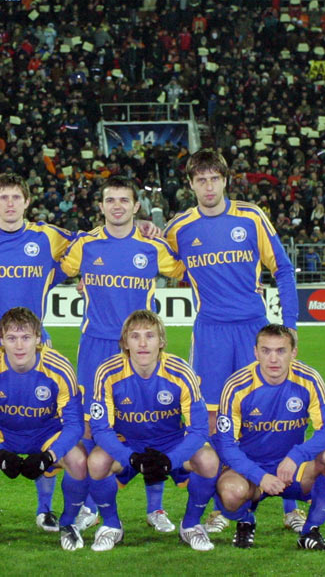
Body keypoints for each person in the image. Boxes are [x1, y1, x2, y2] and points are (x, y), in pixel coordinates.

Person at [164, 148, 301, 533]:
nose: (209, 187)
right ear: (191, 184)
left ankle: (291, 506)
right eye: (201, 180)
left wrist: (290, 325)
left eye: (214, 179)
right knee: (212, 421)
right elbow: (154, 259)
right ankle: (223, 506)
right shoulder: (179, 228)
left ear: (225, 180)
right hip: (210, 334)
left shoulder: (251, 217)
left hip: (254, 330)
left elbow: (283, 269)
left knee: (277, 413)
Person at [60, 177, 184, 534]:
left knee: (152, 423)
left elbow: (187, 267)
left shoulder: (151, 246)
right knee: (89, 426)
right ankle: (90, 506)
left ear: (135, 206)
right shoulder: (84, 245)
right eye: (110, 200)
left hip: (140, 346)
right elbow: (51, 269)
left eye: (124, 200)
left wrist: (164, 234)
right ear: (101, 206)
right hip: (96, 347)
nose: (117, 206)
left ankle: (155, 508)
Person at [0, 173, 74, 532]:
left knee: (46, 421)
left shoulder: (47, 237)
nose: (10, 204)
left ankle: (45, 510)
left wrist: (143, 227)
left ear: (27, 202)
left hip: (37, 342)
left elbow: (92, 244)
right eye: (3, 197)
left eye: (16, 197)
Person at [86, 310, 218, 552]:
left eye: (150, 336)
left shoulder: (181, 371)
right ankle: (111, 525)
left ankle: (191, 525)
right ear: (125, 342)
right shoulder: (108, 372)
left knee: (208, 460)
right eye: (135, 336)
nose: (143, 343)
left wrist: (171, 460)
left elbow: (199, 429)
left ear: (162, 341)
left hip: (171, 444)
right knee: (96, 461)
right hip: (128, 444)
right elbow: (101, 429)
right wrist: (130, 458)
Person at [0, 307, 88, 551]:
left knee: (79, 461)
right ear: (1, 340)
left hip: (46, 433)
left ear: (38, 338)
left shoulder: (59, 367)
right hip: (3, 434)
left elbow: (74, 424)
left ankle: (68, 523)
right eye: (11, 338)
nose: (19, 346)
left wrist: (49, 456)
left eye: (26, 337)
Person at [213, 324, 325, 551]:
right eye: (266, 351)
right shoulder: (237, 385)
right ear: (255, 352)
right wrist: (259, 476)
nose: (273, 359)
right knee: (231, 492)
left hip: (292, 470)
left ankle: (310, 532)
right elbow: (226, 446)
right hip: (250, 471)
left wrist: (296, 456)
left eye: (281, 351)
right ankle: (246, 520)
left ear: (293, 352)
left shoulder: (308, 379)